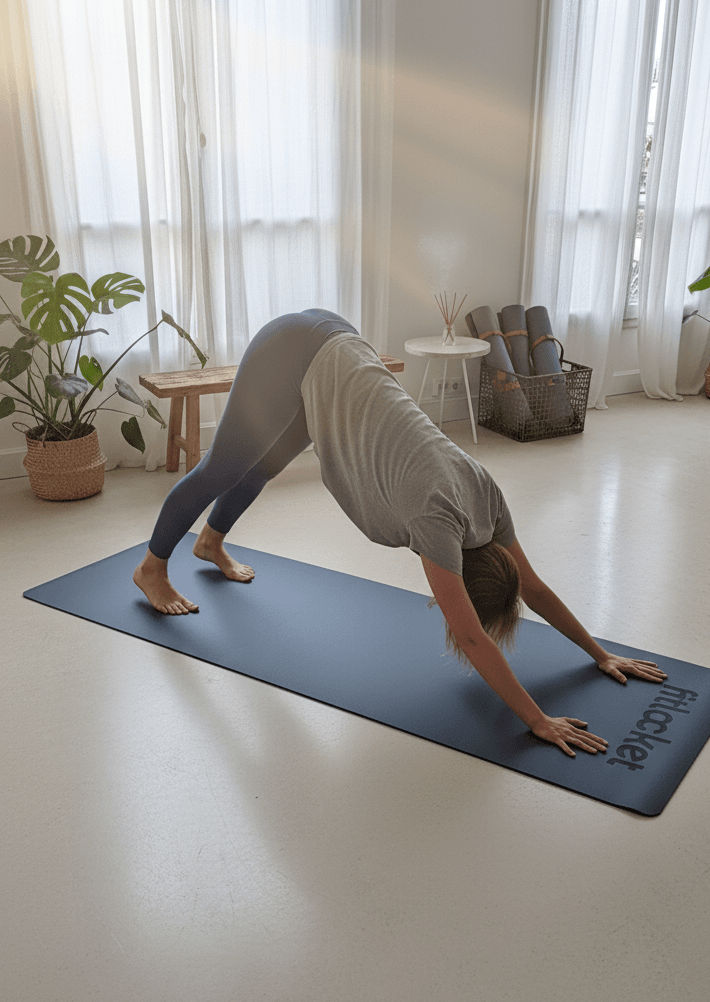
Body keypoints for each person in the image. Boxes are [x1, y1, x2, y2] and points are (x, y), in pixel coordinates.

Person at [134, 309, 666, 755]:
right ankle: (152, 568)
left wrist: (601, 654)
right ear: (453, 582)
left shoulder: (488, 500)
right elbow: (470, 636)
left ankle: (211, 542)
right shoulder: (437, 524)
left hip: (337, 346)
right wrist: (537, 718)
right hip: (295, 348)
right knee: (223, 466)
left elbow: (536, 587)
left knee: (267, 462)